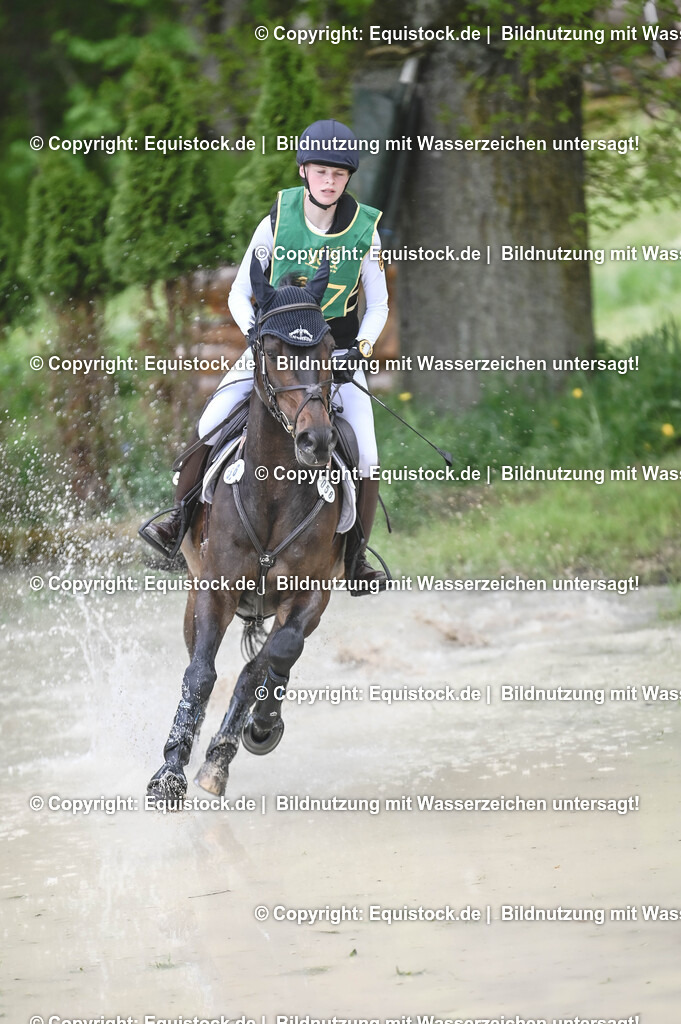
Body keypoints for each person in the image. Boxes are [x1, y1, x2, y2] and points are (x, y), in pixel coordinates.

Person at [140, 118, 389, 592]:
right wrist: (257, 338)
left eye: (338, 173)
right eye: (320, 170)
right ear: (303, 171)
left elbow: (377, 305)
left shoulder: (366, 232)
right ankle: (178, 524)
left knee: (369, 456)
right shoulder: (277, 218)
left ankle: (355, 560)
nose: (329, 180)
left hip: (331, 355)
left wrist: (359, 350)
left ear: (348, 178)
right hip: (273, 349)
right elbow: (238, 293)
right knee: (210, 422)